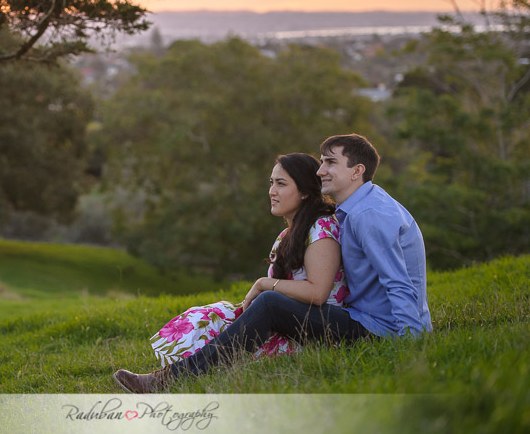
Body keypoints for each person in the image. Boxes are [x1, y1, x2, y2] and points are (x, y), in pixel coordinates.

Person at [112, 134, 432, 394]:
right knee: (240, 310)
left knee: (269, 303)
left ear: (356, 171)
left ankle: (169, 380)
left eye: (330, 162)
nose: (321, 171)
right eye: (321, 162)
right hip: (362, 318)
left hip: (378, 331)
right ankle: (183, 372)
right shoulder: (354, 211)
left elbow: (399, 283)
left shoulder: (367, 215)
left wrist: (413, 348)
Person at [147, 153, 348, 367]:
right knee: (212, 315)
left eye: (281, 184)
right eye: (271, 183)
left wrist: (264, 284)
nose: (272, 191)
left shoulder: (322, 228)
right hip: (290, 322)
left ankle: (176, 375)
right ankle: (178, 371)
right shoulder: (287, 236)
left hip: (317, 331)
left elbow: (318, 293)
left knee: (232, 316)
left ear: (305, 191)